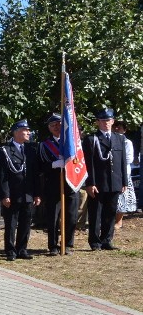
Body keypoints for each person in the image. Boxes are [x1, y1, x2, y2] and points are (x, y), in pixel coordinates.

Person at [0, 119, 41, 260]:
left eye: (28, 130)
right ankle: (10, 250)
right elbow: (1, 175)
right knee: (11, 224)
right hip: (13, 194)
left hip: (28, 193)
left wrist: (37, 194)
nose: (28, 133)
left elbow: (36, 174)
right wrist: (4, 195)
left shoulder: (31, 150)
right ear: (16, 132)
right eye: (25, 130)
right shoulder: (5, 151)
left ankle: (22, 249)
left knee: (26, 223)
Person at [83, 108, 127, 250]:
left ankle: (107, 240)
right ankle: (95, 242)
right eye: (102, 121)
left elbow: (123, 162)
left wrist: (124, 181)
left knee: (110, 212)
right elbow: (88, 164)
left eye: (108, 120)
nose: (106, 123)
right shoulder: (91, 139)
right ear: (97, 122)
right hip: (98, 183)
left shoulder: (119, 138)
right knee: (96, 213)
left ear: (113, 121)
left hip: (115, 181)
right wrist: (90, 183)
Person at [39, 113, 79, 255]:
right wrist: (55, 164)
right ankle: (53, 246)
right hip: (54, 186)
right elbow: (42, 166)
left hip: (71, 184)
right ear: (49, 128)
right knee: (53, 217)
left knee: (71, 215)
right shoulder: (44, 145)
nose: (57, 127)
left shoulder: (73, 144)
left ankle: (68, 244)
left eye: (59, 124)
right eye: (53, 125)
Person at [113, 121, 136, 228]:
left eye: (120, 127)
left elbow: (129, 159)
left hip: (123, 174)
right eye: (115, 127)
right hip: (112, 173)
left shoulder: (127, 143)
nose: (117, 129)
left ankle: (119, 221)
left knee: (122, 198)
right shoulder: (110, 140)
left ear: (125, 130)